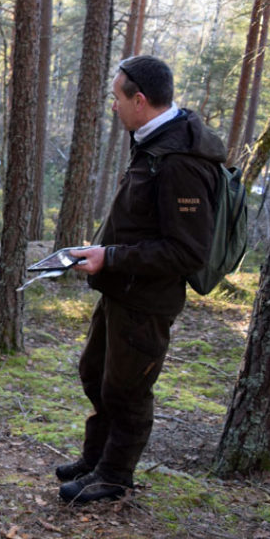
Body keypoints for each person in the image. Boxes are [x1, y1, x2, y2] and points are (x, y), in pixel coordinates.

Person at [57, 56, 223, 504]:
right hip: (121, 287)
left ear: (140, 100)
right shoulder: (153, 140)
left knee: (127, 389)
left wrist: (110, 256)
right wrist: (103, 255)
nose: (113, 106)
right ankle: (95, 459)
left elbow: (187, 250)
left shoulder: (180, 161)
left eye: (117, 97)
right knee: (95, 374)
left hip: (146, 300)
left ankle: (114, 476)